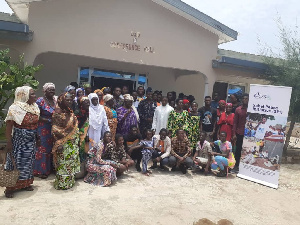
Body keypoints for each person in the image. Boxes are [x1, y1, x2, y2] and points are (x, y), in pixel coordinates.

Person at [4, 86, 40, 198]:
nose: (35, 96)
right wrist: (9, 142)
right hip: (19, 140)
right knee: (16, 162)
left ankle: (25, 183)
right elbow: (9, 126)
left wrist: (37, 137)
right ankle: (10, 187)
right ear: (24, 95)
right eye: (32, 94)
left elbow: (36, 124)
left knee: (28, 162)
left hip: (31, 139)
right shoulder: (15, 108)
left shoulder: (34, 107)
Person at [52, 92, 80, 190]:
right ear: (61, 100)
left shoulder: (70, 112)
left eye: (70, 100)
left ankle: (70, 182)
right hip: (63, 143)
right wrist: (59, 143)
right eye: (67, 100)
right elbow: (55, 129)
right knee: (63, 164)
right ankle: (62, 184)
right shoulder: (58, 113)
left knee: (71, 164)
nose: (69, 102)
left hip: (72, 144)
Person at [33, 83, 56, 179]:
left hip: (53, 128)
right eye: (49, 89)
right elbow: (35, 115)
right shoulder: (40, 101)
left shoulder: (55, 100)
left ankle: (49, 168)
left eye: (53, 89)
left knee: (51, 148)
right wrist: (48, 120)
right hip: (43, 128)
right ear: (45, 91)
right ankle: (40, 171)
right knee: (42, 148)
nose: (52, 91)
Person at [232, 93, 249, 173]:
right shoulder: (238, 109)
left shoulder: (251, 110)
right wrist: (234, 134)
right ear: (242, 99)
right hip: (239, 132)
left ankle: (246, 167)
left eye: (247, 98)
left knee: (247, 151)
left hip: (248, 135)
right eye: (244, 98)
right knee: (238, 150)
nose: (245, 100)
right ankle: (236, 166)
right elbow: (235, 122)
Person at [77, 96, 90, 164]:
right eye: (86, 103)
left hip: (85, 135)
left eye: (88, 102)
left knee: (85, 150)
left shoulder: (88, 112)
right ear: (81, 104)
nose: (88, 104)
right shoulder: (78, 113)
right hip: (78, 135)